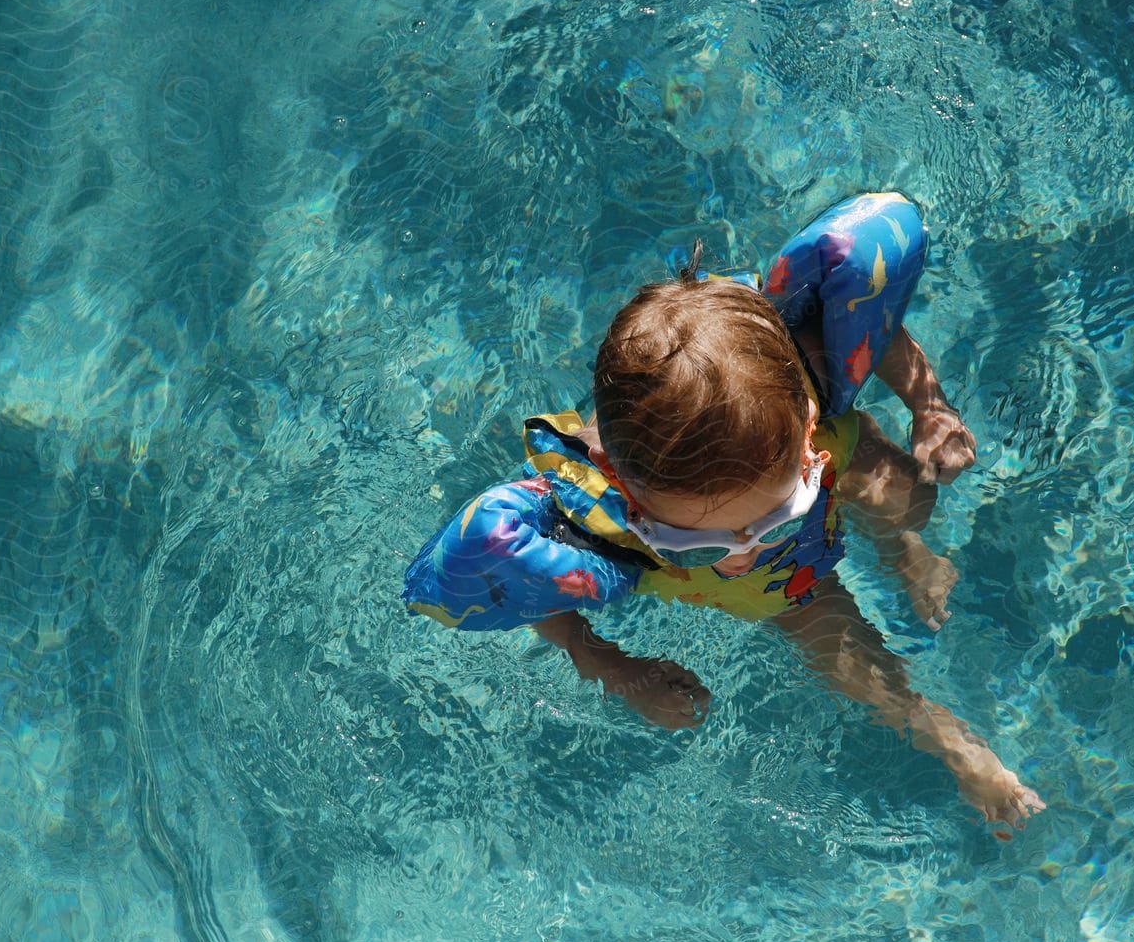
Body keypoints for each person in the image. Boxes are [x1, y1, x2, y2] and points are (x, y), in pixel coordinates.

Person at [403, 193, 1044, 832]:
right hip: (789, 593)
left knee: (903, 493)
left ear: (806, 422)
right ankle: (957, 747)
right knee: (850, 663)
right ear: (627, 493)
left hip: (840, 461)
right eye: (701, 544)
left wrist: (930, 408)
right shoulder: (598, 521)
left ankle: (903, 549)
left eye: (779, 516)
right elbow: (540, 593)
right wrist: (612, 667)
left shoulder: (803, 368)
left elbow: (877, 339)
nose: (745, 551)